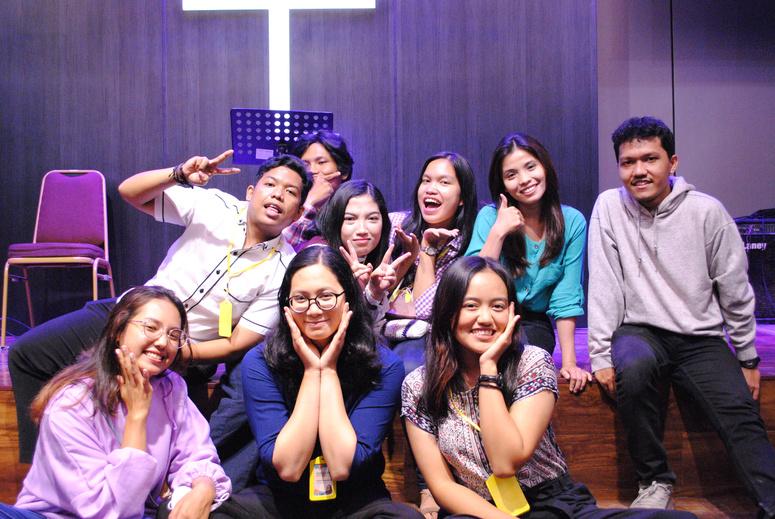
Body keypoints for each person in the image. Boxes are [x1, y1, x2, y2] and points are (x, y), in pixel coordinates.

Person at [8, 151, 311, 494]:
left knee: (179, 438)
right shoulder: (215, 206)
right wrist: (178, 173)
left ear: (298, 211)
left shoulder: (284, 269)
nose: (277, 195)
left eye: (290, 192)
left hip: (187, 351)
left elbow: (237, 341)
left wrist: (175, 352)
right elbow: (130, 192)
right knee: (27, 355)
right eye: (270, 185)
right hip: (129, 316)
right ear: (251, 191)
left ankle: (148, 495)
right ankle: (46, 471)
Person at [401, 256, 695, 519]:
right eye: (471, 305)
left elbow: (505, 463)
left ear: (512, 312)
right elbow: (442, 485)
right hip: (479, 510)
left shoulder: (532, 362)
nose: (486, 318)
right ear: (448, 312)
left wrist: (488, 370)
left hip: (552, 503)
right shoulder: (419, 386)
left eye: (498, 306)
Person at [587, 116, 775, 514]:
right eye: (628, 162)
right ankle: (654, 481)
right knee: (634, 367)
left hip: (700, 337)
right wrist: (600, 353)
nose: (638, 170)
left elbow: (735, 290)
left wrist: (747, 356)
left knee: (739, 410)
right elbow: (604, 282)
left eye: (650, 159)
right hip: (639, 330)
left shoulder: (707, 212)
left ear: (672, 162)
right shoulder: (609, 206)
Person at [220, 246, 421, 518]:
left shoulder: (384, 364)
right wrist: (312, 372)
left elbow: (341, 466)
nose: (313, 310)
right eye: (300, 299)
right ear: (286, 306)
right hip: (279, 500)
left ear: (349, 298)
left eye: (326, 297)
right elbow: (288, 468)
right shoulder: (261, 362)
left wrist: (327, 371)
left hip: (355, 500)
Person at [0, 286, 231, 519]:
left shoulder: (171, 388)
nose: (163, 342)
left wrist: (203, 487)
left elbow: (196, 454)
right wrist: (137, 416)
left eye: (173, 335)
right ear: (118, 330)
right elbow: (111, 511)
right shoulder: (71, 405)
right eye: (151, 328)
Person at [466, 132, 591, 394]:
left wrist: (570, 363)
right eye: (511, 175)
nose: (524, 180)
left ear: (545, 166)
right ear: (502, 183)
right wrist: (499, 232)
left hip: (531, 321)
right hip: (487, 317)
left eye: (530, 167)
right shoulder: (490, 217)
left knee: (525, 359)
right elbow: (471, 281)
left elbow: (566, 295)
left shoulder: (572, 221)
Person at [385, 151, 478, 374]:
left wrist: (428, 249)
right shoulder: (395, 225)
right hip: (383, 327)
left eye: (444, 182)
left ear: (462, 197)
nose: (430, 189)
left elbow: (424, 311)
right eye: (426, 181)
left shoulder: (466, 245)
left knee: (409, 365)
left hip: (430, 337)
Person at [307, 179, 412, 322]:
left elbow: (371, 326)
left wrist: (374, 292)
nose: (362, 230)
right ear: (335, 221)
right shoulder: (318, 257)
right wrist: (349, 288)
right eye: (350, 219)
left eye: (372, 218)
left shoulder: (378, 258)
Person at [284, 130, 354, 248]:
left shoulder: (354, 205)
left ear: (344, 171)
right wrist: (310, 203)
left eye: (321, 162)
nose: (312, 170)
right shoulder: (290, 203)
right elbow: (280, 248)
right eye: (305, 164)